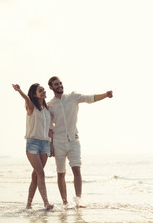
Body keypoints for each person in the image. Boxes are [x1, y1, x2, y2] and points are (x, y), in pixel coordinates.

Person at [47, 76, 113, 207]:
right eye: (56, 84)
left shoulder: (73, 97)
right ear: (51, 87)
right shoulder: (50, 105)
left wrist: (105, 95)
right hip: (58, 142)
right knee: (61, 173)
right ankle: (65, 202)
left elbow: (90, 98)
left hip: (73, 141)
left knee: (76, 170)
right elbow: (50, 127)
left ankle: (78, 201)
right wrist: (50, 145)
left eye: (60, 83)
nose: (59, 86)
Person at [12, 83, 54, 210]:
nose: (43, 91)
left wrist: (51, 146)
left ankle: (28, 204)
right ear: (35, 94)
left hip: (45, 144)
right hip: (33, 144)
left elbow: (50, 130)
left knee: (36, 175)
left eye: (43, 90)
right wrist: (19, 90)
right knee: (41, 172)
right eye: (40, 90)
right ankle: (46, 203)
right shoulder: (31, 106)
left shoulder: (47, 109)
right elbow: (26, 98)